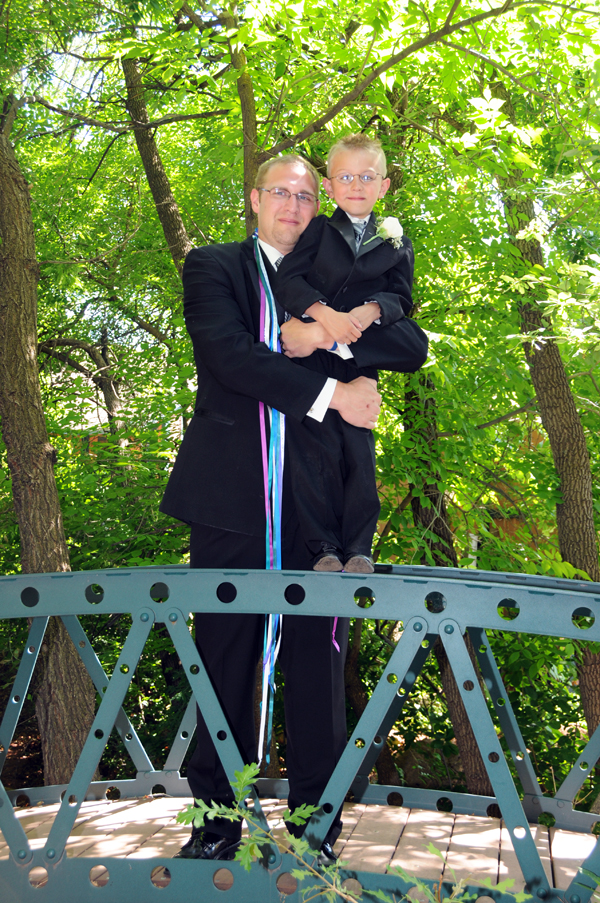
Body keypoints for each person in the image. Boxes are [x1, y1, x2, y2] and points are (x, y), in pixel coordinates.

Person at [159, 153, 426, 862]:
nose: (295, 204)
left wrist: (339, 325)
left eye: (308, 194)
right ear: (254, 198)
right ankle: (217, 820)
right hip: (231, 500)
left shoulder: (345, 270)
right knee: (224, 656)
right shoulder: (217, 267)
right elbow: (230, 357)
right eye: (281, 191)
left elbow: (409, 341)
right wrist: (333, 391)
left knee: (318, 664)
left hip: (322, 511)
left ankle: (317, 825)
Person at [274, 134, 418, 575]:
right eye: (345, 177)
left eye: (367, 177)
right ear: (331, 186)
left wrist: (372, 309)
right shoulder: (319, 230)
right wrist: (323, 318)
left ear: (384, 186)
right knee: (314, 450)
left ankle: (359, 548)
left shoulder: (395, 240)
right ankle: (323, 549)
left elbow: (402, 298)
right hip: (316, 360)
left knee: (358, 450)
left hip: (361, 359)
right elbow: (290, 281)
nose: (356, 185)